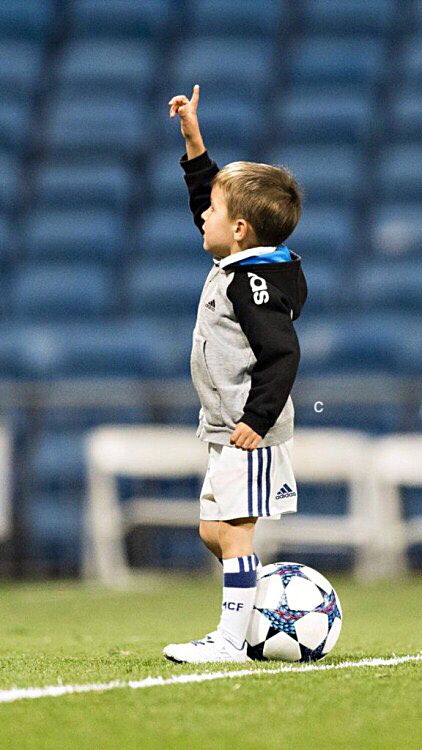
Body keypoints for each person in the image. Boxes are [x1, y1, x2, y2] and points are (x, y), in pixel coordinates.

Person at [163, 84, 308, 663]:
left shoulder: (253, 285)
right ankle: (261, 603)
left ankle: (228, 639)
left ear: (241, 229)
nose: (202, 215)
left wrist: (256, 418)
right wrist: (195, 143)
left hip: (249, 429)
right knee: (212, 532)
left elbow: (283, 354)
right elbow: (211, 196)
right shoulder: (240, 259)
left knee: (236, 531)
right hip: (222, 426)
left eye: (215, 213)